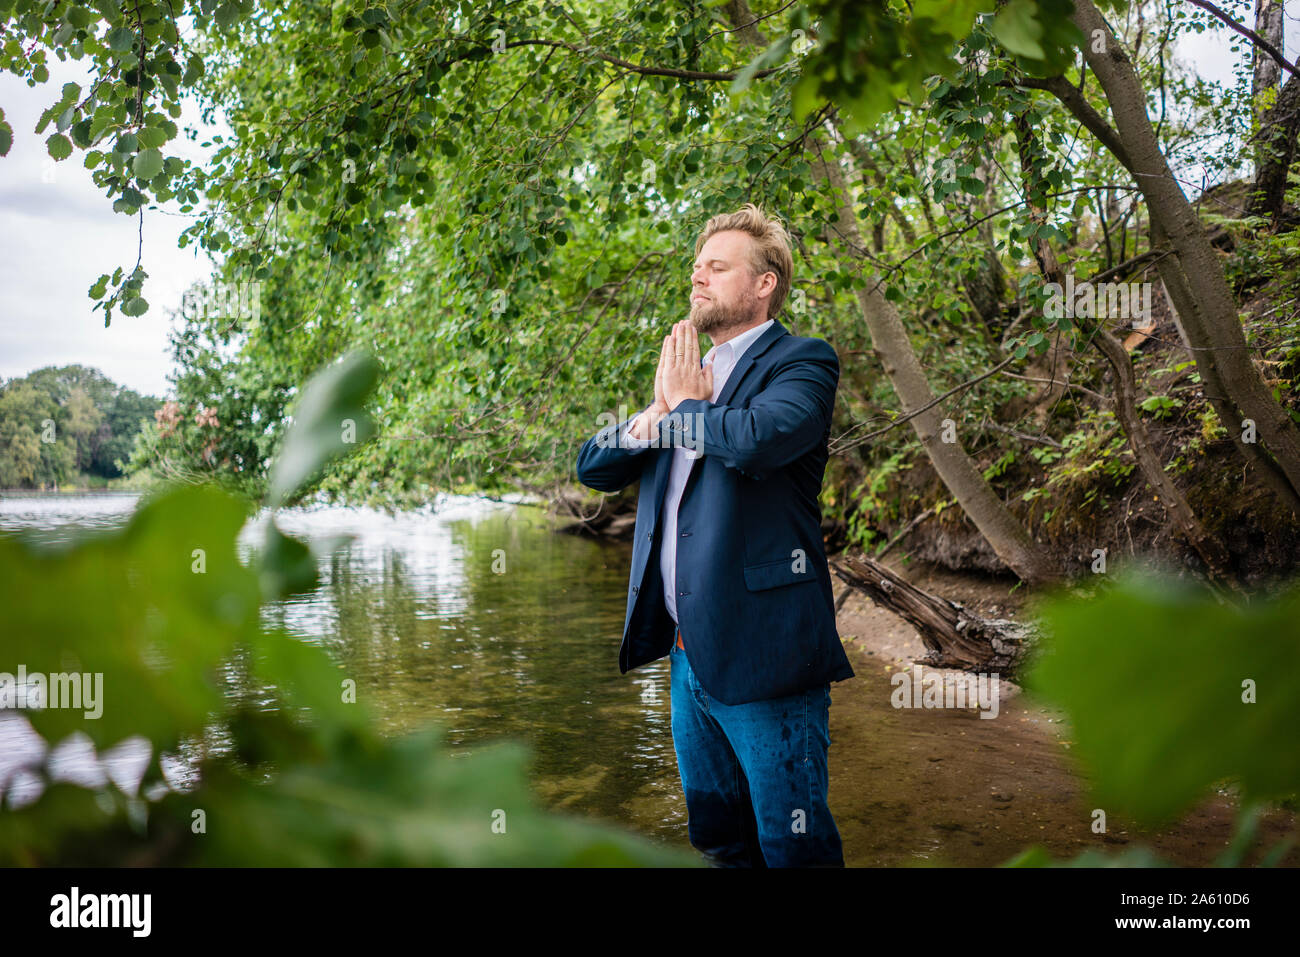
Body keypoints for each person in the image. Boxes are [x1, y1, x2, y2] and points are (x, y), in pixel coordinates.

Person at [575, 203, 856, 867]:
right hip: (685, 655)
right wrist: (657, 412)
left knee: (795, 846)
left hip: (767, 654)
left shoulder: (802, 363)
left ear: (764, 284)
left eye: (718, 267)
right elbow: (594, 464)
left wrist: (689, 405)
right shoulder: (681, 380)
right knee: (720, 842)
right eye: (697, 267)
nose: (698, 277)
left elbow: (758, 441)